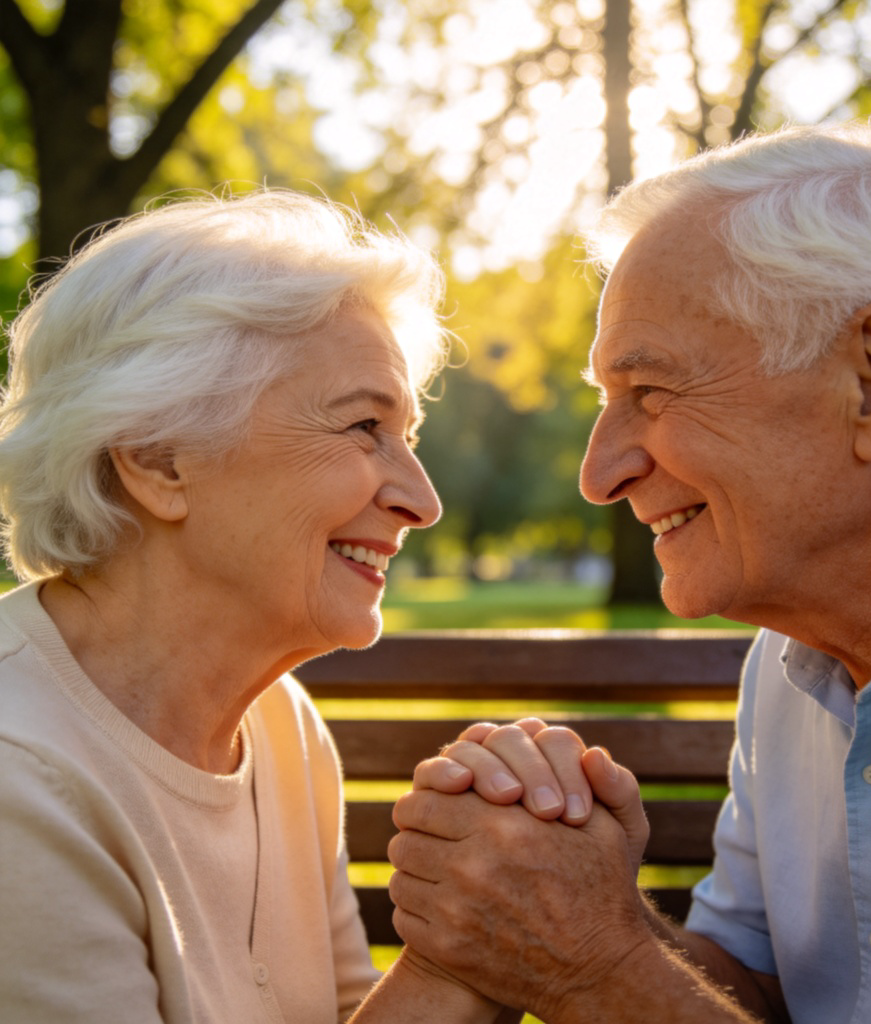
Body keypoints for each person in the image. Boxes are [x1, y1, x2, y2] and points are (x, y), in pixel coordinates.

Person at [387, 120, 871, 1023]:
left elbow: (615, 977)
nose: (598, 475)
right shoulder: (795, 656)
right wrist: (548, 886)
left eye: (652, 393)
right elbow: (753, 991)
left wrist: (594, 966)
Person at [0, 189, 556, 1024]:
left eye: (408, 436)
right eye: (364, 427)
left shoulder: (277, 723)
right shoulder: (20, 784)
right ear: (159, 460)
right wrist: (466, 954)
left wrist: (485, 933)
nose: (421, 499)